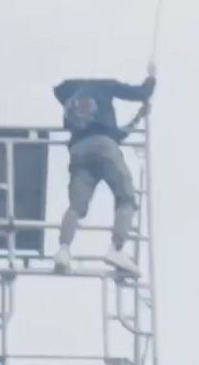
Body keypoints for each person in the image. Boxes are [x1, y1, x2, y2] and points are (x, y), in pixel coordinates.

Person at [52, 70, 156, 277]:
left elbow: (114, 134)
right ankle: (116, 249)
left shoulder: (70, 94)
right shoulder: (103, 84)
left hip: (78, 150)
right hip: (103, 146)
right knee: (126, 197)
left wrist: (137, 118)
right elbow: (142, 92)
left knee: (76, 207)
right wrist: (151, 79)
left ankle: (63, 251)